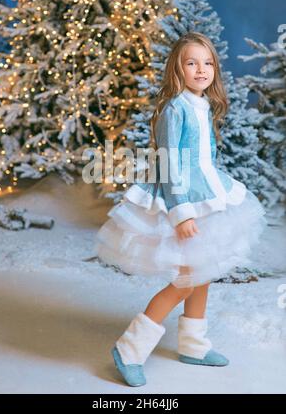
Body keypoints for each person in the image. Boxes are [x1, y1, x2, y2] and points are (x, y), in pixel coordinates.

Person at [94, 32, 267, 387]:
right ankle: (129, 350)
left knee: (203, 272)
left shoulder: (202, 104)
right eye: (192, 63)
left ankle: (193, 345)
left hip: (206, 193)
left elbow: (206, 158)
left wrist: (216, 190)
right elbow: (168, 164)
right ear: (178, 69)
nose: (201, 69)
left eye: (208, 63)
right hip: (181, 199)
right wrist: (181, 213)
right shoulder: (175, 109)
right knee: (186, 281)